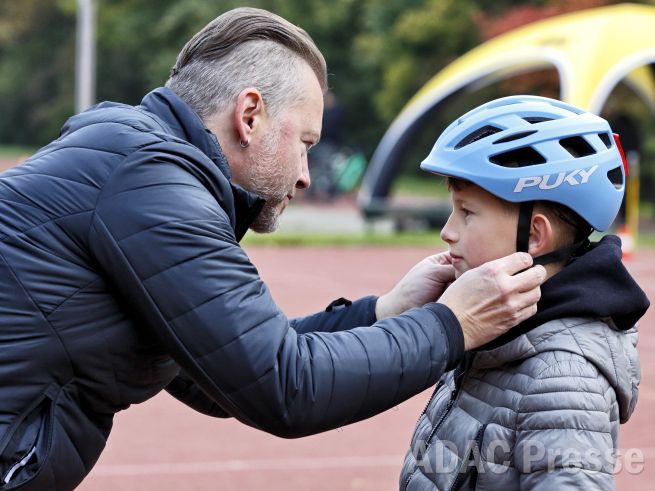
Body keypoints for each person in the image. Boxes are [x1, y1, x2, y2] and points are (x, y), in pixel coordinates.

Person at [0, 8, 546, 490]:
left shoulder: (132, 162)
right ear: (250, 115)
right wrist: (454, 324)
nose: (306, 175)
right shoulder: (151, 183)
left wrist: (386, 311)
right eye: (305, 142)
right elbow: (285, 386)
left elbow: (226, 372)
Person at [400, 95, 650, 490]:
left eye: (467, 212)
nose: (447, 231)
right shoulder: (497, 327)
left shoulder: (563, 381)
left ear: (534, 235)